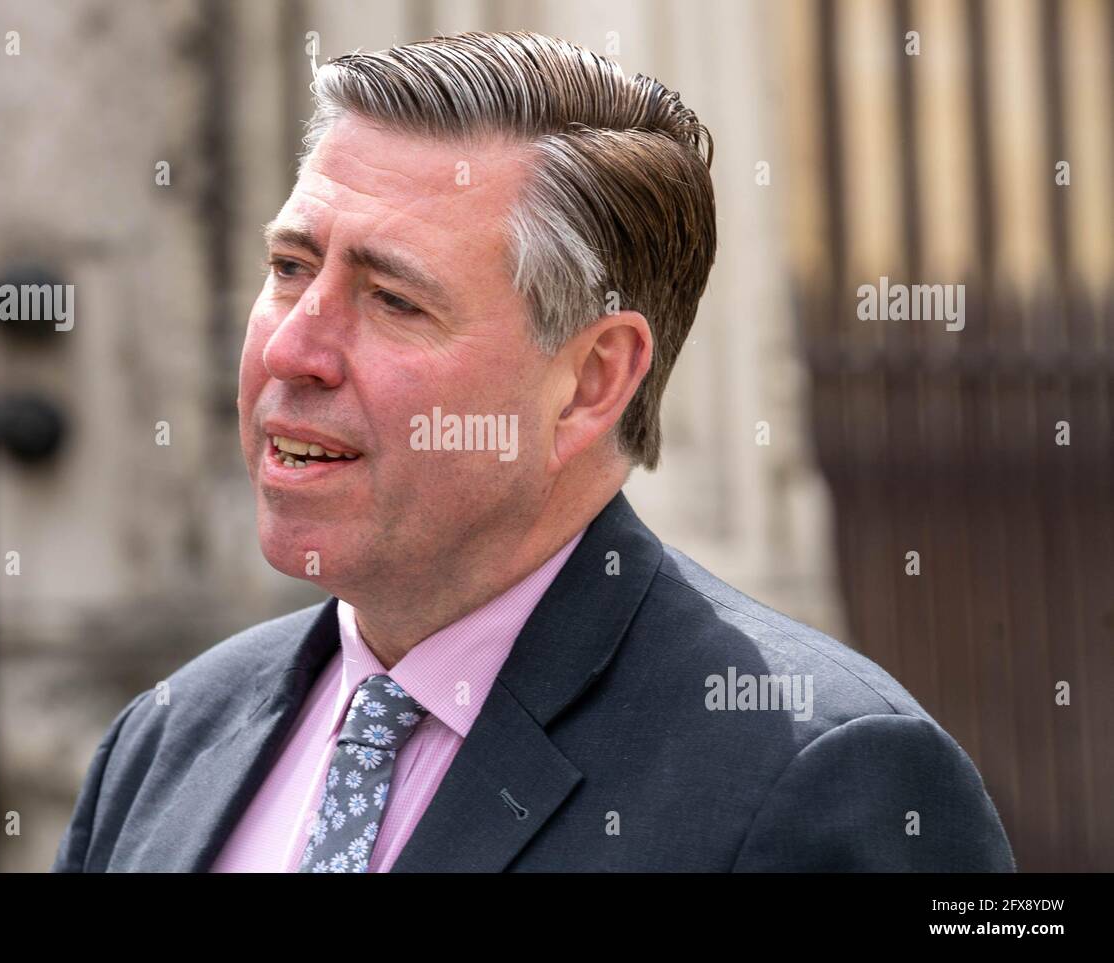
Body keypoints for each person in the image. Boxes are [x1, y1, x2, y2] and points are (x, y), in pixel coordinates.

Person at [52, 30, 1013, 872]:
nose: (293, 347)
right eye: (291, 267)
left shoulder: (820, 780)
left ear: (592, 381)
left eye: (394, 300)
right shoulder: (168, 739)